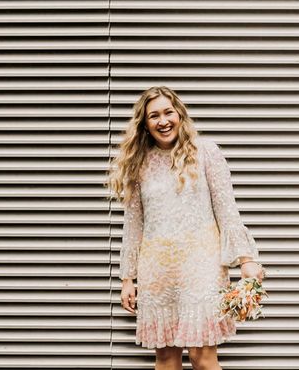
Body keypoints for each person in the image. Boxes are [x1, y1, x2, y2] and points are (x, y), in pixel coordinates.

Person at [107, 85, 265, 370]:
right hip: (157, 272)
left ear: (180, 114)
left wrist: (247, 260)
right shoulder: (138, 165)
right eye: (154, 115)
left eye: (168, 112)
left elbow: (227, 210)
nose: (163, 121)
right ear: (144, 124)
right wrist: (128, 279)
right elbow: (133, 225)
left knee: (202, 358)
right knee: (166, 359)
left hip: (200, 267)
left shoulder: (206, 153)